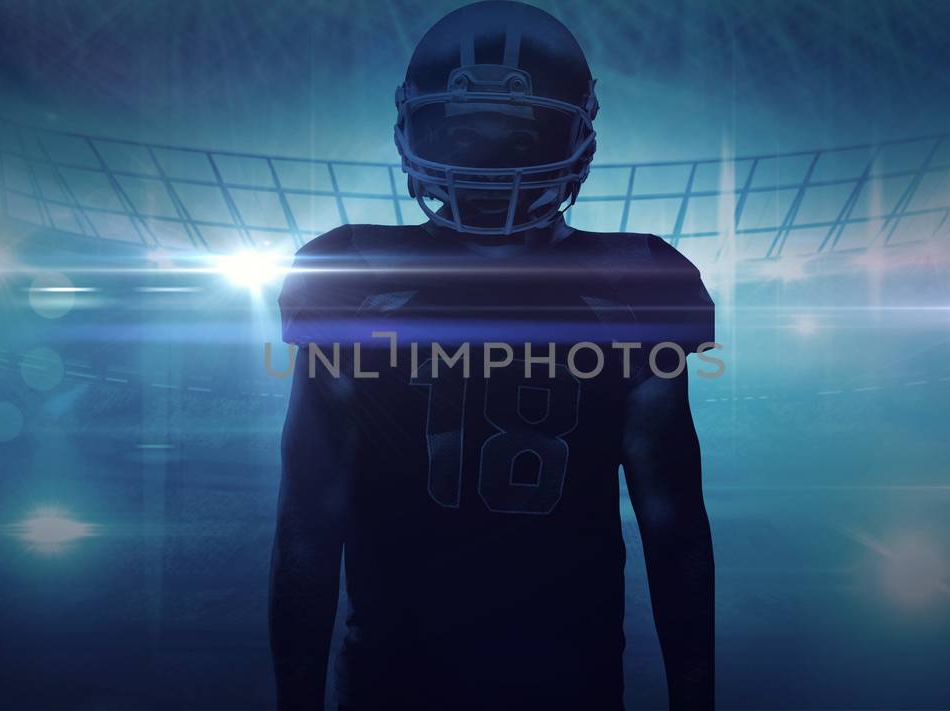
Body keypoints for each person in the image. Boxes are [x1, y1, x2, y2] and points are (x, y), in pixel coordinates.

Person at [270, 3, 714, 709]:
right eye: (462, 132)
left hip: (500, 681)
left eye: (516, 136)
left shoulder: (351, 275)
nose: (486, 159)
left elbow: (674, 523)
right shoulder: (636, 283)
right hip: (481, 680)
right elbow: (308, 519)